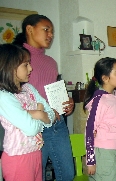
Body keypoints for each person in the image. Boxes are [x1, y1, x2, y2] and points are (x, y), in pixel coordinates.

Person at [13, 14, 75, 181]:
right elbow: (13, 95)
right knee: (34, 176)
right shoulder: (16, 58)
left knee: (68, 174)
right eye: (46, 29)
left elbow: (53, 92)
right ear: (30, 29)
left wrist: (67, 103)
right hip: (33, 127)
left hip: (57, 123)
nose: (51, 35)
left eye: (52, 31)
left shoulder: (51, 62)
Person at [0, 44, 55, 181]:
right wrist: (39, 114)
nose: (30, 68)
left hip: (36, 153)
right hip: (18, 159)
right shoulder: (4, 96)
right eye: (26, 65)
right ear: (10, 67)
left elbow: (51, 116)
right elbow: (31, 129)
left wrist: (35, 114)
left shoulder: (29, 89)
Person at [83, 57, 116, 181]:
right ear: (105, 78)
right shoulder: (99, 100)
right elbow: (89, 130)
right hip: (105, 153)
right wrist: (91, 160)